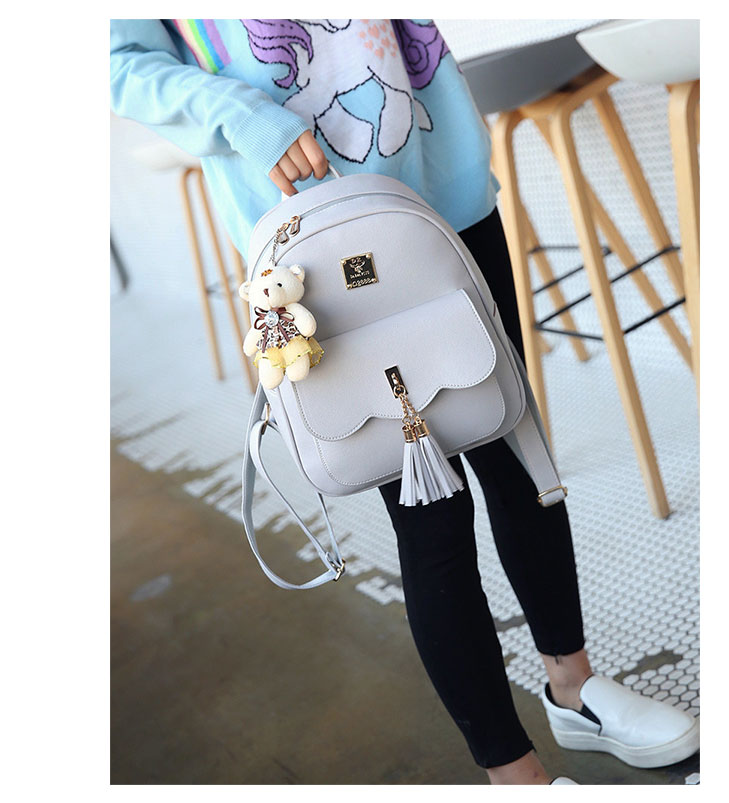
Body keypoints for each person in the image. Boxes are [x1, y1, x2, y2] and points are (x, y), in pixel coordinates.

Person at [110, 19, 699, 785]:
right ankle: (513, 772)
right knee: (429, 511)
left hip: (441, 181)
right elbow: (118, 61)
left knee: (518, 447)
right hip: (311, 226)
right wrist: (241, 115)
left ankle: (574, 686)